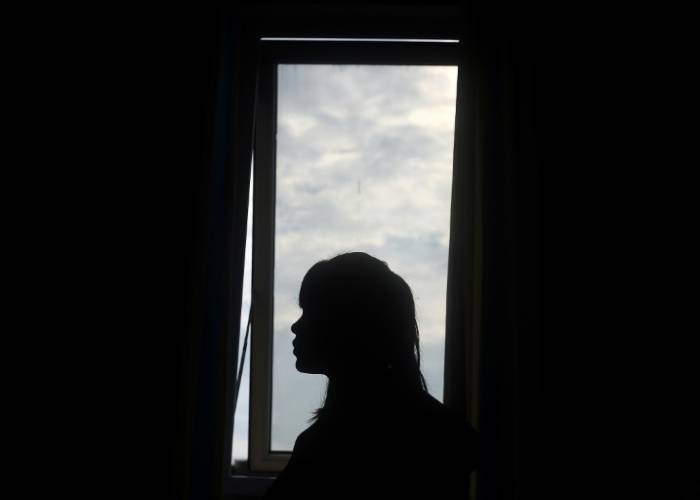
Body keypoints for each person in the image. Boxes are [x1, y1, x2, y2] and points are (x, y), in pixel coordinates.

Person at [265, 252, 478, 498]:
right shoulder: (445, 432)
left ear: (347, 324)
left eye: (311, 312)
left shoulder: (329, 445)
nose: (296, 326)